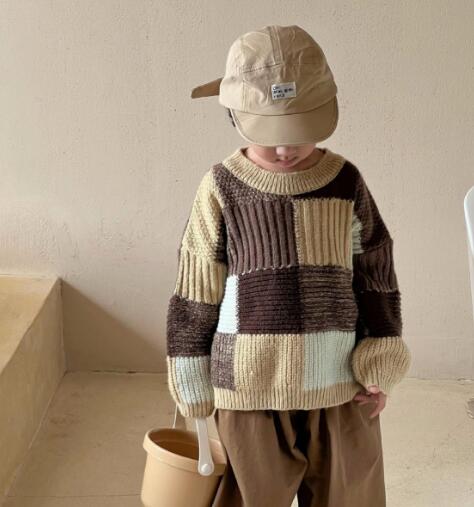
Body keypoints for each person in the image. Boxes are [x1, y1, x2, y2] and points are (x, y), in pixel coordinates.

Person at [166, 24, 411, 507]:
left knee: (351, 496)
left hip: (339, 383)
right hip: (247, 388)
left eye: (300, 131)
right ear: (235, 117)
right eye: (270, 134)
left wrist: (379, 360)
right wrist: (191, 375)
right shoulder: (220, 187)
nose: (285, 148)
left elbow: (376, 276)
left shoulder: (346, 182)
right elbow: (196, 290)